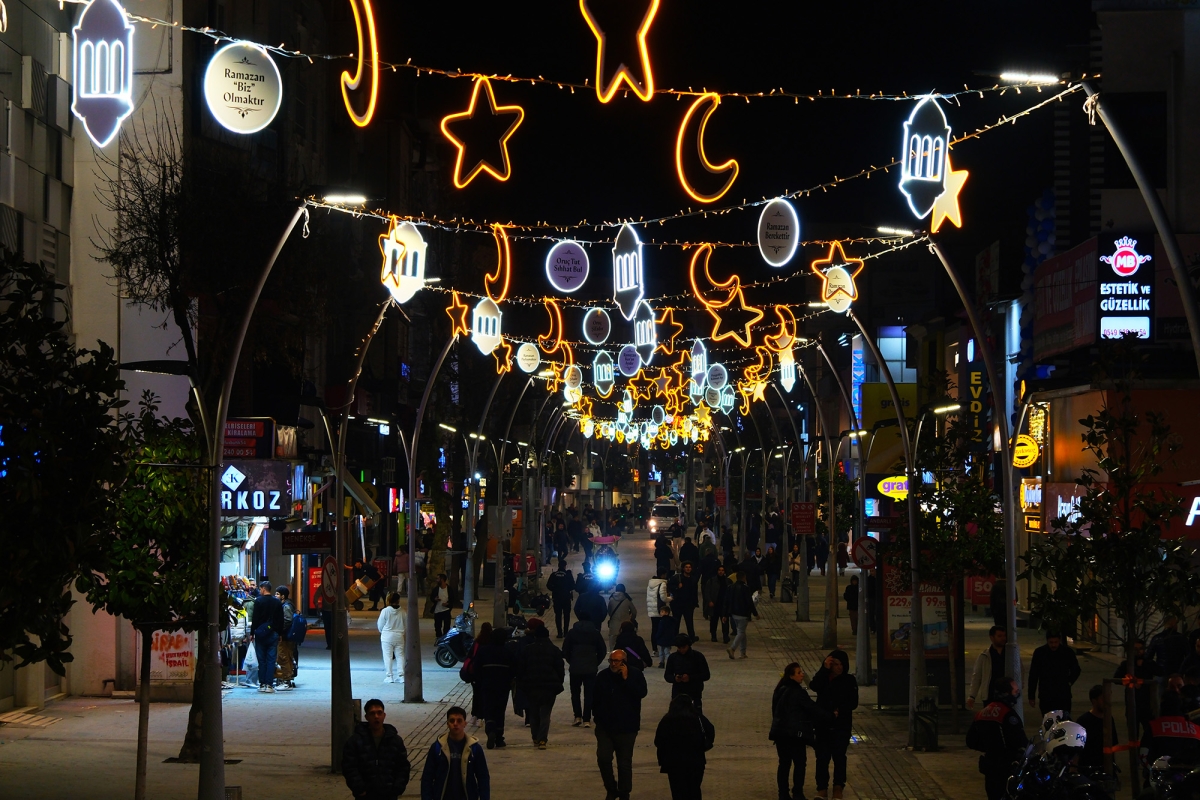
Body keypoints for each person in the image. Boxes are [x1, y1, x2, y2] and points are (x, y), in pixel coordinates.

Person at [593, 648, 648, 800]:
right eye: (611, 660)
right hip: (605, 727)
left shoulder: (635, 674)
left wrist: (626, 679)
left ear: (624, 662)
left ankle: (624, 792)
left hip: (627, 727)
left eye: (617, 661)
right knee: (603, 759)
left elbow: (641, 693)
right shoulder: (603, 676)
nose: (613, 664)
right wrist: (597, 717)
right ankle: (611, 788)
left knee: (624, 763)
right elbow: (595, 698)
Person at [772, 662, 830, 800]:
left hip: (780, 734)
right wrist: (830, 716)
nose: (802, 674)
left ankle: (783, 794)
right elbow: (812, 708)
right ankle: (797, 793)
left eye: (802, 672)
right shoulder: (798, 692)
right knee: (799, 764)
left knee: (784, 764)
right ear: (791, 676)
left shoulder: (779, 690)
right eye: (799, 673)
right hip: (795, 735)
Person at [966, 677, 1027, 800]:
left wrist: (988, 747)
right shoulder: (1008, 715)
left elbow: (971, 741)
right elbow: (1020, 741)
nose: (1017, 694)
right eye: (1015, 691)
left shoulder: (982, 713)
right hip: (1006, 768)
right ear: (1007, 694)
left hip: (990, 766)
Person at [810, 650, 858, 799]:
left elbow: (853, 702)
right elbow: (814, 685)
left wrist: (839, 710)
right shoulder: (824, 678)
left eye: (841, 664)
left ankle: (838, 787)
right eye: (835, 664)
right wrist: (824, 669)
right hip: (823, 725)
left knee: (839, 757)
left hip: (841, 725)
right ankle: (822, 788)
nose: (839, 667)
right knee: (822, 758)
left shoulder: (849, 680)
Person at [342, 699, 411, 800]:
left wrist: (397, 788)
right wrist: (359, 788)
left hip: (389, 794)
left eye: (379, 713)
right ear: (366, 717)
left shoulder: (395, 740)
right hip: (365, 795)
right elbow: (349, 767)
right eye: (372, 713)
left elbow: (403, 767)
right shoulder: (356, 741)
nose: (376, 716)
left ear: (384, 715)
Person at [420, 706, 490, 800]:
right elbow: (427, 777)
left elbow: (483, 777)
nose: (455, 724)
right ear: (447, 724)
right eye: (452, 721)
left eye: (459, 721)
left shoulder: (474, 749)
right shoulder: (437, 748)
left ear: (465, 723)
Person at [654, 694, 715, 799]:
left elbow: (658, 741)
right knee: (694, 790)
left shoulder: (667, 720)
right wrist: (703, 746)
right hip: (695, 761)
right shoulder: (698, 718)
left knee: (678, 792)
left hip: (673, 763)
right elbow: (710, 731)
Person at [516, 624, 564, 750]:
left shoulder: (527, 650)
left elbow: (521, 668)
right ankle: (542, 739)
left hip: (531, 686)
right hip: (549, 687)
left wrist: (522, 683)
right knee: (545, 713)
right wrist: (558, 682)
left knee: (533, 713)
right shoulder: (554, 650)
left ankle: (535, 737)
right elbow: (560, 669)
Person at [563, 616, 607, 727]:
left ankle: (577, 716)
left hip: (575, 668)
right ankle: (587, 719)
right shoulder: (595, 633)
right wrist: (595, 662)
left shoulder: (572, 633)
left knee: (575, 693)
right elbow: (602, 650)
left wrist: (572, 661)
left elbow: (565, 649)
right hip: (590, 668)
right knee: (589, 694)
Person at [474, 628, 514, 749]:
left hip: (487, 685)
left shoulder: (483, 650)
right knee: (500, 710)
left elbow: (477, 668)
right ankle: (499, 737)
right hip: (503, 686)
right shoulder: (508, 651)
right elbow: (514, 669)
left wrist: (479, 682)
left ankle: (490, 729)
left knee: (489, 709)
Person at [1027, 630, 1082, 715]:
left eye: (1056, 642)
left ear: (1059, 640)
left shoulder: (1067, 652)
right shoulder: (1040, 653)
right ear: (1047, 641)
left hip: (1063, 694)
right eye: (1051, 642)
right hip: (1046, 694)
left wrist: (1069, 682)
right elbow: (1033, 675)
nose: (1053, 645)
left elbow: (1076, 669)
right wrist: (1031, 696)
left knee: (1063, 719)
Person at [968, 626, 1022, 709]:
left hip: (1008, 694)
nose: (1003, 638)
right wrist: (972, 696)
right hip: (990, 694)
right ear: (992, 637)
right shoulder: (985, 656)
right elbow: (977, 676)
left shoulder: (1011, 653)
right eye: (999, 636)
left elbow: (1020, 670)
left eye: (1004, 635)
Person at [250, 581, 285, 693]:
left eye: (260, 589)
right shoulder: (277, 602)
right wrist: (280, 633)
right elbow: (280, 620)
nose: (260, 591)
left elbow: (255, 618)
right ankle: (269, 685)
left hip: (260, 633)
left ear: (263, 589)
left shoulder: (258, 601)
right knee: (271, 659)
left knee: (261, 660)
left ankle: (262, 684)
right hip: (273, 633)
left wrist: (252, 633)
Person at [1075, 684, 1119, 771]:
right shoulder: (1083, 721)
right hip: (1088, 769)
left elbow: (1112, 745)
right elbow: (1076, 749)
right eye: (1103, 699)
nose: (1107, 702)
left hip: (1106, 768)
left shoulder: (1109, 719)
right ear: (1094, 701)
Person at [664, 633, 711, 712]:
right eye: (679, 648)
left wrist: (690, 678)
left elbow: (706, 675)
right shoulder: (673, 658)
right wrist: (675, 678)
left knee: (696, 714)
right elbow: (667, 675)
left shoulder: (698, 656)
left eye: (684, 647)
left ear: (688, 645)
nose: (682, 650)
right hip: (678, 691)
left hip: (695, 690)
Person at [726, 569, 760, 660]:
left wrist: (726, 613)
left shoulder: (731, 587)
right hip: (743, 613)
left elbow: (727, 601)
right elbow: (749, 602)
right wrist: (755, 614)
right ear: (744, 578)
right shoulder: (746, 588)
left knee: (742, 632)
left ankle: (743, 652)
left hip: (734, 613)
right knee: (741, 632)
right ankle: (732, 648)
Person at [377, 591, 405, 684]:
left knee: (387, 657)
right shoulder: (403, 612)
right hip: (399, 636)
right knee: (400, 656)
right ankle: (401, 676)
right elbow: (406, 625)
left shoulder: (385, 611)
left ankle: (389, 676)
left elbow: (380, 625)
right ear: (398, 600)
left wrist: (383, 632)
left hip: (387, 636)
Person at [670, 561, 700, 642]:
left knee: (689, 622)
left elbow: (695, 592)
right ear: (683, 568)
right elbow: (670, 587)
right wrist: (677, 587)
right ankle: (675, 637)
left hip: (688, 604)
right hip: (677, 604)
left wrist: (695, 603)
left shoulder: (693, 579)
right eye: (686, 567)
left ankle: (692, 636)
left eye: (689, 567)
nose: (688, 569)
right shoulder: (677, 578)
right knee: (676, 621)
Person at [275, 586, 298, 689]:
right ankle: (287, 679)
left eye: (277, 594)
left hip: (285, 637)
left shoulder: (286, 606)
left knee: (283, 657)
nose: (275, 596)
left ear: (283, 596)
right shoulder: (287, 605)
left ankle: (286, 681)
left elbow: (287, 620)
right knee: (286, 657)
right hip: (287, 636)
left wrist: (280, 631)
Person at [546, 559, 576, 638]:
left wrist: (555, 589)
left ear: (558, 566)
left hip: (557, 598)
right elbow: (573, 585)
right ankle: (566, 632)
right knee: (566, 615)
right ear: (565, 566)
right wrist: (567, 589)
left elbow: (548, 585)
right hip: (566, 598)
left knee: (558, 615)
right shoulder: (568, 574)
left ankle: (559, 632)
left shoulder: (554, 574)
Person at [703, 565, 731, 644]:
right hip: (714, 604)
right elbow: (707, 592)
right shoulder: (711, 581)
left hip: (724, 605)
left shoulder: (728, 581)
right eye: (719, 570)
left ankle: (725, 636)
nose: (721, 572)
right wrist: (709, 601)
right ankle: (713, 635)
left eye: (722, 570)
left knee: (725, 621)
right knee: (713, 621)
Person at [606, 583, 637, 652]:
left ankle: (613, 655)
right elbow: (634, 612)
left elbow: (609, 611)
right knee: (625, 643)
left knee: (613, 643)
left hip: (614, 624)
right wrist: (631, 619)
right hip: (625, 625)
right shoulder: (627, 599)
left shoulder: (611, 599)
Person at [646, 569, 672, 648]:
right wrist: (671, 598)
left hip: (652, 610)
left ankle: (654, 649)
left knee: (654, 629)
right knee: (662, 629)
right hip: (660, 610)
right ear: (663, 575)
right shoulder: (662, 583)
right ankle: (662, 647)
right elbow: (663, 598)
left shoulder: (650, 583)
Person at [430, 574, 453, 638]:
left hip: (446, 610)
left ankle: (445, 639)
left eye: (438, 579)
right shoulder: (436, 589)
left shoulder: (449, 589)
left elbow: (452, 599)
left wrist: (448, 604)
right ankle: (439, 638)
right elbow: (431, 597)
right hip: (437, 610)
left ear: (442, 580)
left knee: (447, 627)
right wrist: (435, 599)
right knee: (437, 626)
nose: (436, 580)